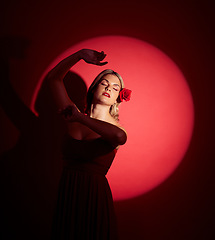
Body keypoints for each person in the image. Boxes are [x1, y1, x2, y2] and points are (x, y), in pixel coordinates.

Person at [48, 49, 131, 240]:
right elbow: (53, 79)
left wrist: (79, 117)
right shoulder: (74, 115)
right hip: (67, 195)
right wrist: (79, 55)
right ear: (94, 88)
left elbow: (120, 137)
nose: (109, 88)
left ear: (118, 97)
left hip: (94, 199)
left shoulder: (115, 128)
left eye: (115, 87)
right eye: (104, 83)